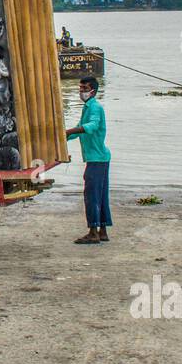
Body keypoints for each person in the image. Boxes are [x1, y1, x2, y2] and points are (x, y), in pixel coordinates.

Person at [67, 75, 111, 244]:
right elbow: (80, 129)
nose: (81, 92)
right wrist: (63, 138)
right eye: (80, 88)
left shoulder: (95, 108)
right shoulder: (88, 107)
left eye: (84, 89)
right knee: (100, 195)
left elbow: (91, 127)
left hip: (97, 158)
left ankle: (93, 231)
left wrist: (70, 132)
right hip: (100, 158)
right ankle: (103, 231)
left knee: (92, 195)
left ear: (93, 91)